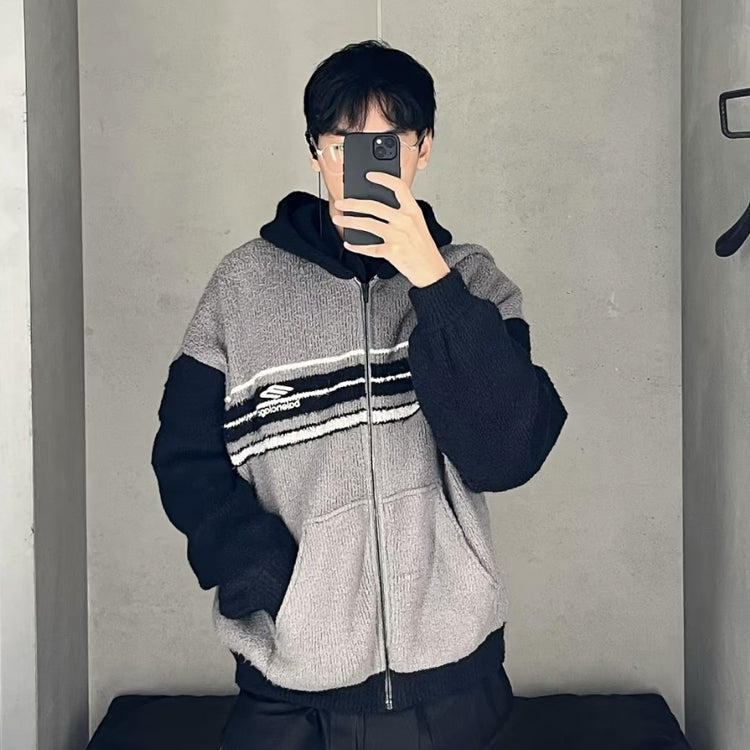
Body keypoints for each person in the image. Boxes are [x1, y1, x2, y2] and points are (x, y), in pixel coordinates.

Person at [151, 39, 568, 750]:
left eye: (387, 141)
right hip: (290, 688)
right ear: (316, 152)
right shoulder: (241, 288)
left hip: (455, 681)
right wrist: (270, 579)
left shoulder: (473, 283)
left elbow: (504, 456)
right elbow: (185, 459)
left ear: (423, 147)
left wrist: (433, 284)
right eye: (343, 142)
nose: (363, 162)